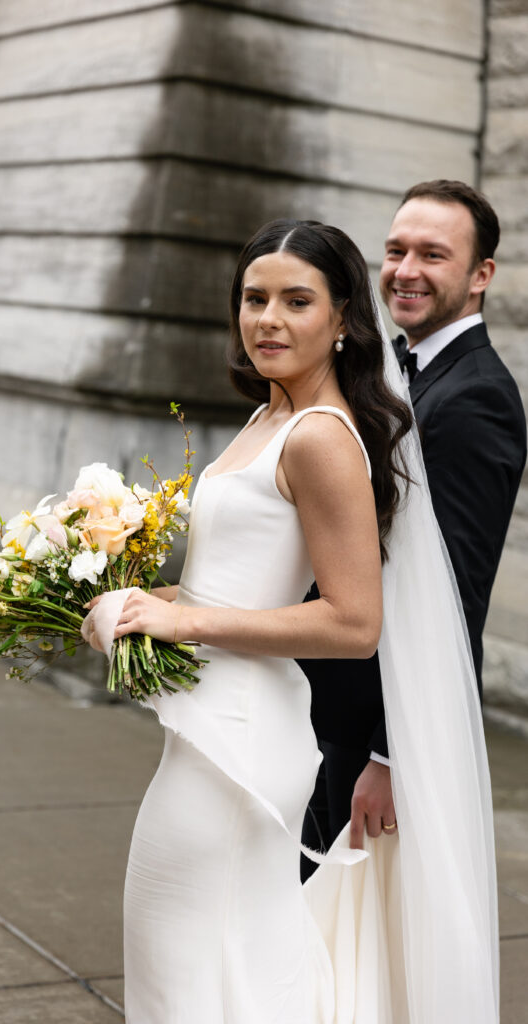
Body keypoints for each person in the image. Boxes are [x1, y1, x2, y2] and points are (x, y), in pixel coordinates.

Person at [84, 219, 499, 1023]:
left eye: (294, 300)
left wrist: (183, 625)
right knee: (214, 967)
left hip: (242, 738)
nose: (267, 319)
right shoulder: (268, 418)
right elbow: (230, 590)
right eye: (253, 299)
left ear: (342, 319)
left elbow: (352, 623)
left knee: (193, 972)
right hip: (212, 725)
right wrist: (129, 606)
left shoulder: (319, 437)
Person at [299, 180, 526, 881]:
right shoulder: (394, 369)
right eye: (395, 250)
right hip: (329, 704)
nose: (404, 271)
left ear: (480, 275)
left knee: (345, 936)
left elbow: (456, 592)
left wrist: (389, 756)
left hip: (377, 721)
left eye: (433, 255)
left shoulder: (474, 399)